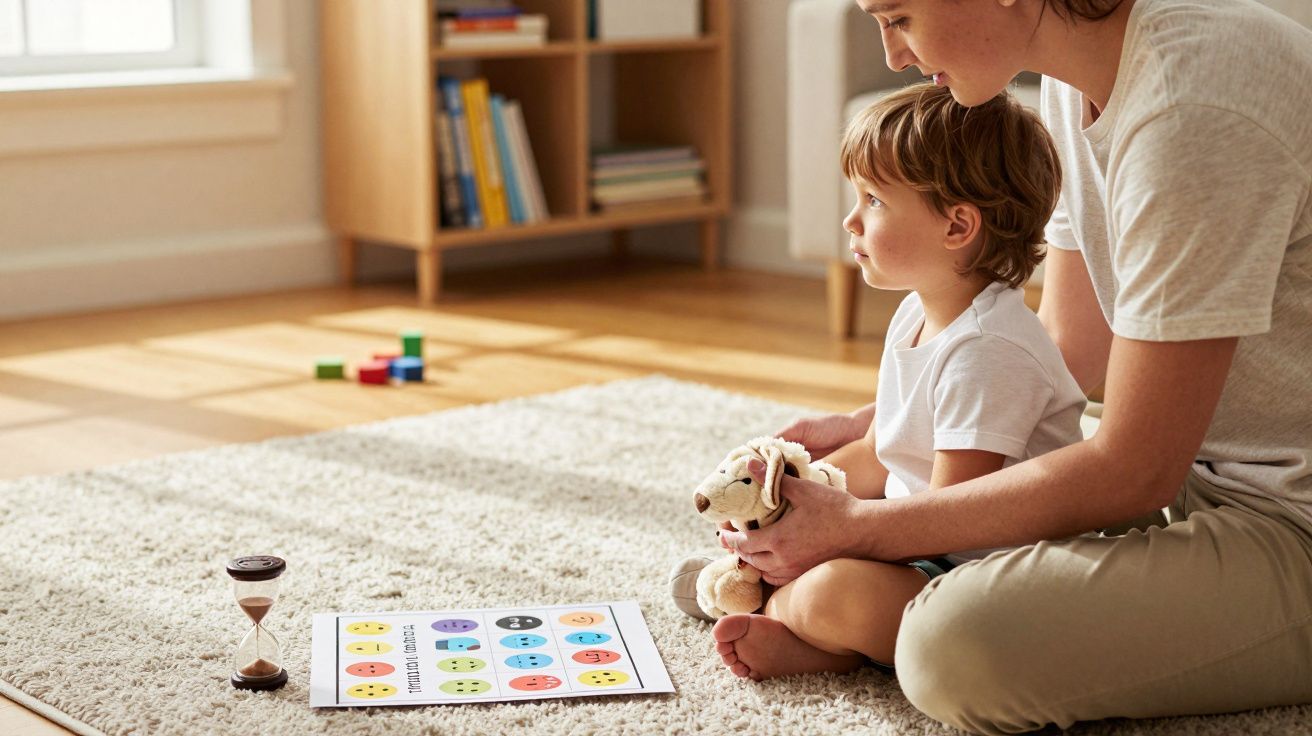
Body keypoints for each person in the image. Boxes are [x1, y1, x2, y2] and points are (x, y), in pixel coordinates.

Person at [717, 0, 1312, 733]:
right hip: (1197, 473)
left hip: (1291, 520)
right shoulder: (1075, 84)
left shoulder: (1192, 110)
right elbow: (1061, 354)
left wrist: (853, 529)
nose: (893, 56)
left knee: (951, 648)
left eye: (898, 17)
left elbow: (1134, 468)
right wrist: (883, 426)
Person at [708, 81, 1086, 680]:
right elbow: (883, 451)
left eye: (874, 201)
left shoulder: (988, 351)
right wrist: (785, 509)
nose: (851, 219)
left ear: (958, 226)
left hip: (978, 570)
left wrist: (826, 545)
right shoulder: (917, 310)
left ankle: (801, 623)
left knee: (832, 592)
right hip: (921, 545)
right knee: (802, 561)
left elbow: (951, 516)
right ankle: (797, 620)